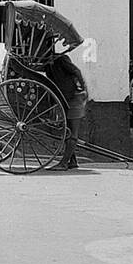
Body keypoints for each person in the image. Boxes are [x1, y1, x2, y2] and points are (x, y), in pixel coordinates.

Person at [49, 41, 89, 170]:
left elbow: (76, 71)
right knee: (68, 130)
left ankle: (64, 163)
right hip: (65, 98)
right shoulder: (48, 65)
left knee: (73, 131)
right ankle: (72, 161)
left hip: (75, 97)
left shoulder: (61, 59)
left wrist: (83, 88)